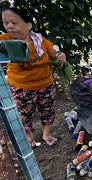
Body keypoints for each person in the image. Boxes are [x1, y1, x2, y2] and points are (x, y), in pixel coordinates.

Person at [0, 8, 66, 147]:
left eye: (14, 22)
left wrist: (60, 56)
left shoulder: (40, 40)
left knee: (47, 110)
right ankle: (29, 137)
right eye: (6, 23)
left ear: (28, 25)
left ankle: (46, 135)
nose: (9, 26)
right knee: (24, 114)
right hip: (21, 86)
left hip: (45, 84)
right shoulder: (5, 41)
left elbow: (54, 52)